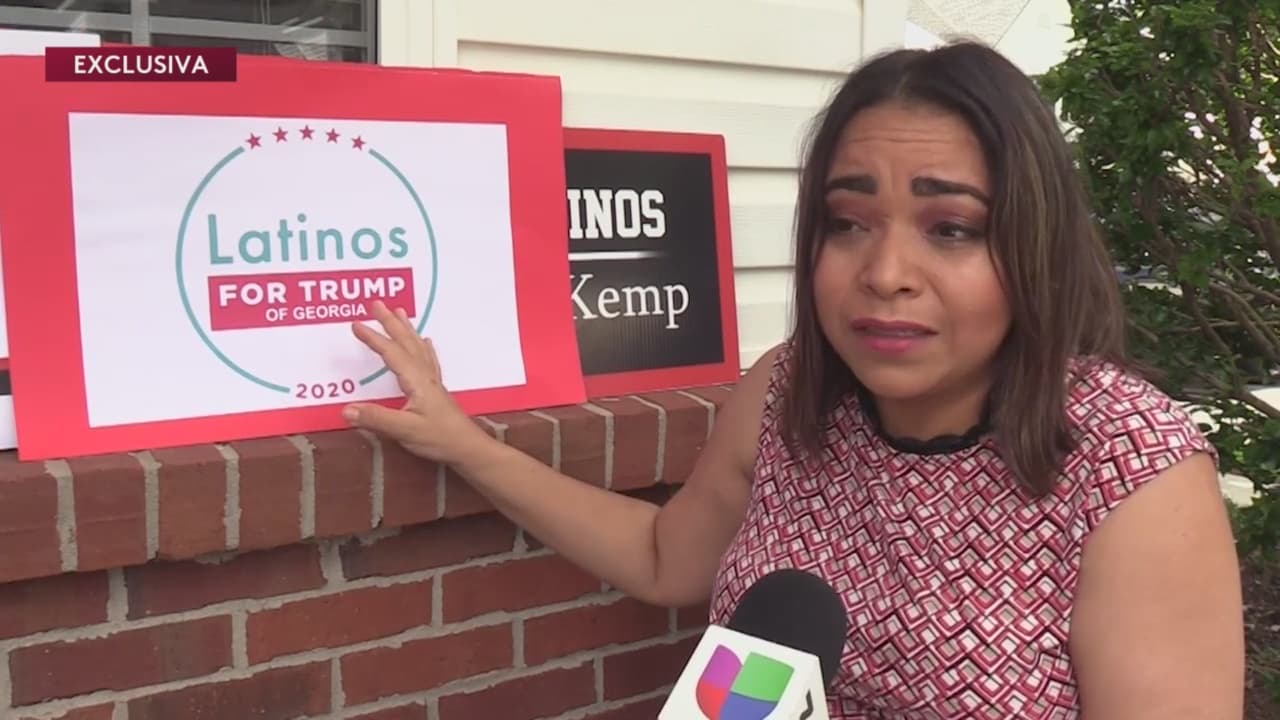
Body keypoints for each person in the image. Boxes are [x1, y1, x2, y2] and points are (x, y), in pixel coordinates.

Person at [341, 40, 1245, 720]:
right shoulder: (788, 391)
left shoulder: (1130, 465)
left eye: (951, 229)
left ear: (1032, 245)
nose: (884, 273)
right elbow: (664, 558)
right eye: (848, 223)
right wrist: (463, 443)